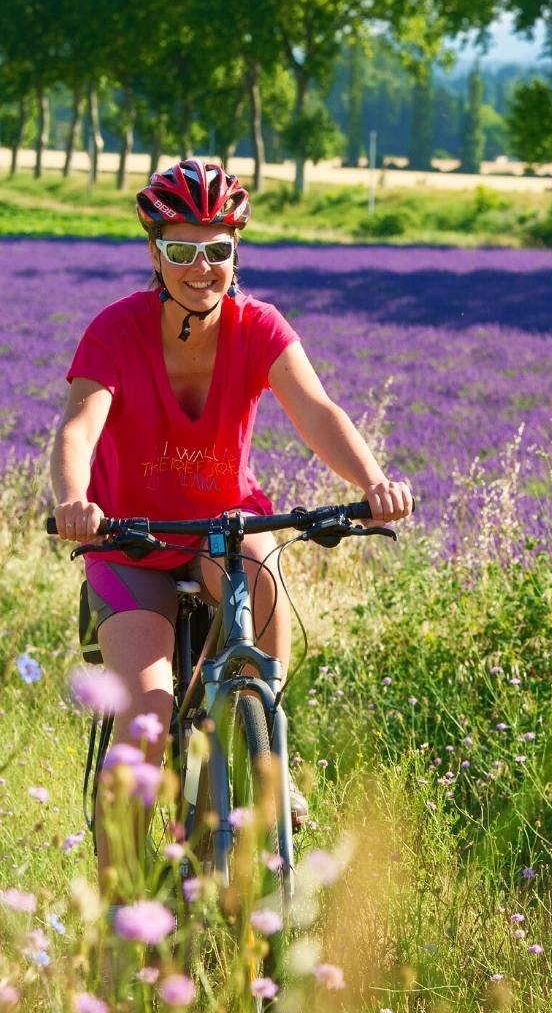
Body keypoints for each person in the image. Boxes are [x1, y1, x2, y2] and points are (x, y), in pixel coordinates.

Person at [50, 159, 413, 894]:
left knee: (263, 600)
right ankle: (121, 901)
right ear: (155, 253)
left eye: (216, 249)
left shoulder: (259, 326)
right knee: (148, 712)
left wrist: (371, 482)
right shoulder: (116, 330)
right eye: (181, 250)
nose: (200, 267)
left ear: (235, 251)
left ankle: (268, 758)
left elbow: (318, 413)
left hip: (222, 526)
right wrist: (73, 498)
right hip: (130, 538)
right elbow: (78, 428)